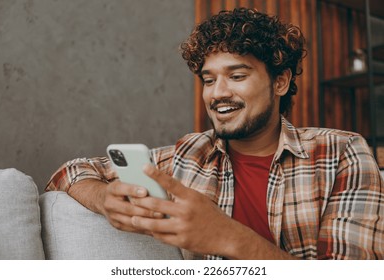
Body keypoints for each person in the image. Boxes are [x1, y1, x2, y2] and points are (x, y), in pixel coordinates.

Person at [46, 8, 384, 260]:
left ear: (279, 82)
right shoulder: (187, 154)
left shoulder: (342, 152)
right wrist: (104, 199)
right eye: (209, 79)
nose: (217, 93)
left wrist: (228, 237)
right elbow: (70, 171)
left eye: (236, 76)